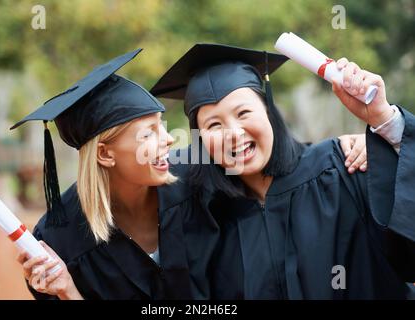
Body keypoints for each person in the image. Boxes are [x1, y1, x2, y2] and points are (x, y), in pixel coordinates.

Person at [150, 43, 415, 299]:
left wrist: (385, 123)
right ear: (201, 140)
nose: (233, 134)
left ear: (269, 111)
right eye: (214, 125)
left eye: (243, 113)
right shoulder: (204, 217)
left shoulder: (343, 166)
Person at [12, 49, 219, 299]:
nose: (168, 139)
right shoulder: (59, 239)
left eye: (161, 125)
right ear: (105, 154)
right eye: (148, 133)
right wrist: (67, 291)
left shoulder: (199, 183)